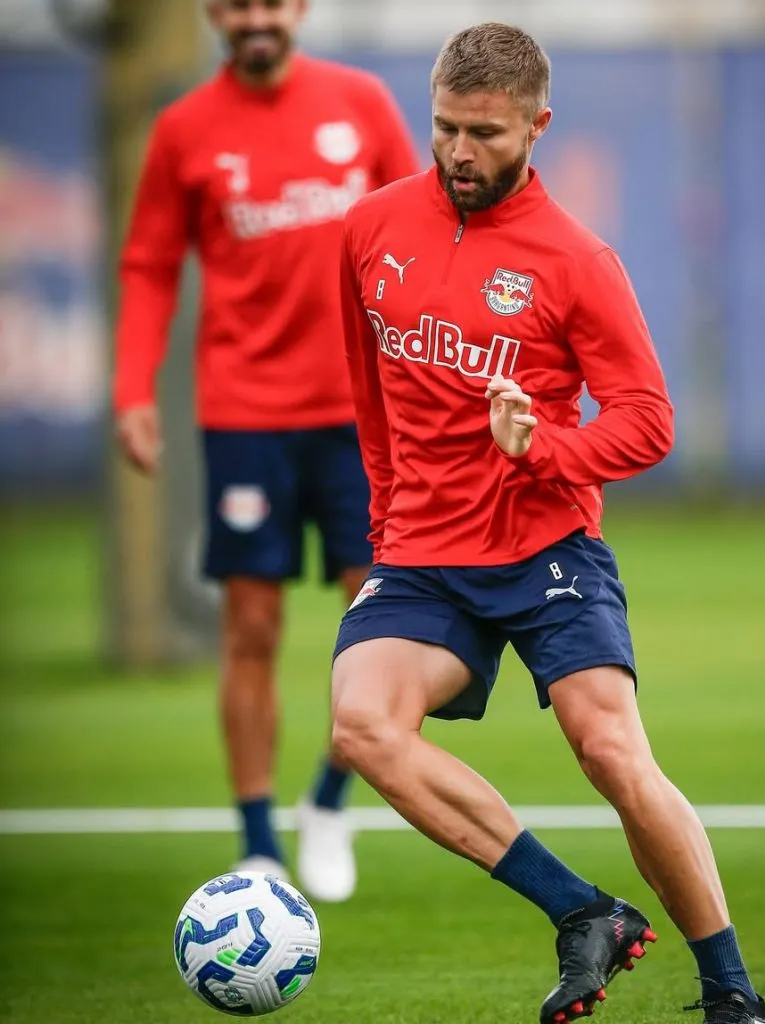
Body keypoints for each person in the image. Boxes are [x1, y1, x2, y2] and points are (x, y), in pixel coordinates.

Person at [332, 21, 765, 1024]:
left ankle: (731, 992)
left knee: (609, 749)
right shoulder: (370, 231)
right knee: (361, 725)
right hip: (424, 555)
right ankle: (582, 911)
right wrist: (385, 529)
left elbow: (649, 420)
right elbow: (370, 400)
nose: (457, 152)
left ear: (537, 125)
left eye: (483, 133)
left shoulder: (576, 260)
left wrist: (546, 453)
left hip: (546, 546)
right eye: (444, 127)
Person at [113, 0, 420, 902]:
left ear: (298, 10)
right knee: (250, 627)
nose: (254, 18)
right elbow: (148, 265)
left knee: (384, 628)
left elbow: (423, 228)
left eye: (270, 3)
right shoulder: (184, 130)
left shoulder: (359, 102)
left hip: (363, 416)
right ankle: (255, 845)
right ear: (215, 13)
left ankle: (330, 796)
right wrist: (134, 390)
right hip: (245, 412)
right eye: (236, 3)